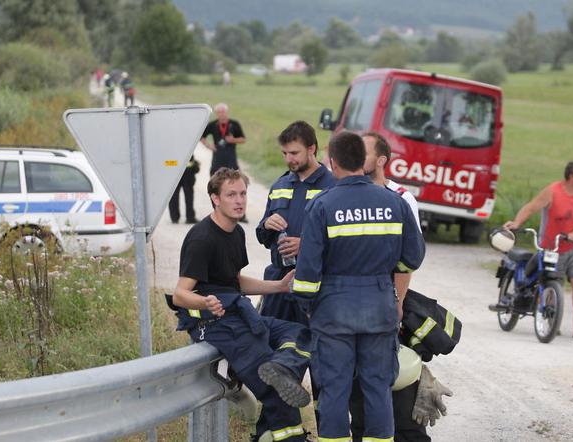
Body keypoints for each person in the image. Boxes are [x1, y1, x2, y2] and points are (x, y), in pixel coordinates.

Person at [293, 131, 425, 441]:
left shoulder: (322, 205)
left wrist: (308, 307)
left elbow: (307, 273)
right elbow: (413, 258)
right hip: (380, 307)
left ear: (332, 162)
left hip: (333, 311)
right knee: (378, 387)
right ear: (362, 162)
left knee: (335, 388)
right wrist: (388, 286)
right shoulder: (395, 203)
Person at [171, 167, 312, 441]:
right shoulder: (202, 238)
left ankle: (281, 369)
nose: (239, 200)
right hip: (215, 325)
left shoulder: (235, 233)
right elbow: (179, 295)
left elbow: (234, 282)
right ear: (215, 198)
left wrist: (278, 286)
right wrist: (205, 301)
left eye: (243, 194)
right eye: (231, 194)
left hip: (239, 314)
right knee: (276, 395)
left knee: (299, 333)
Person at [349, 132, 444, 442]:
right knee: (359, 394)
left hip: (388, 303)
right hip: (353, 307)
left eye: (362, 153)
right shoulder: (346, 193)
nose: (355, 158)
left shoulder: (402, 198)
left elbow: (409, 258)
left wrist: (398, 302)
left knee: (396, 393)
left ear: (381, 160)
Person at [503, 161, 573, 340]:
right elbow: (531, 207)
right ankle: (552, 321)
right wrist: (516, 223)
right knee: (552, 281)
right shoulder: (553, 191)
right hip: (553, 246)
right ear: (572, 177)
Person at [256, 121, 336, 325]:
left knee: (311, 346)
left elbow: (344, 240)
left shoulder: (332, 186)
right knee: (271, 341)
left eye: (294, 153)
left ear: (312, 149)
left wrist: (306, 245)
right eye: (284, 153)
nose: (288, 159)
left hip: (315, 285)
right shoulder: (280, 184)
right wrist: (266, 224)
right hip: (277, 283)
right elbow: (262, 237)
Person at [201, 103, 246, 176]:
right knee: (215, 178)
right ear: (216, 113)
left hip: (231, 156)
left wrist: (233, 140)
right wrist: (208, 145)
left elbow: (243, 139)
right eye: (219, 112)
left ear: (226, 112)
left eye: (223, 111)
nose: (221, 114)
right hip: (217, 155)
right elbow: (201, 137)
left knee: (233, 177)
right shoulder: (212, 124)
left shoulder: (234, 124)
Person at [168, 158, 199, 224]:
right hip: (186, 171)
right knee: (188, 195)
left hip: (173, 169)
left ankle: (174, 217)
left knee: (174, 195)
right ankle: (189, 217)